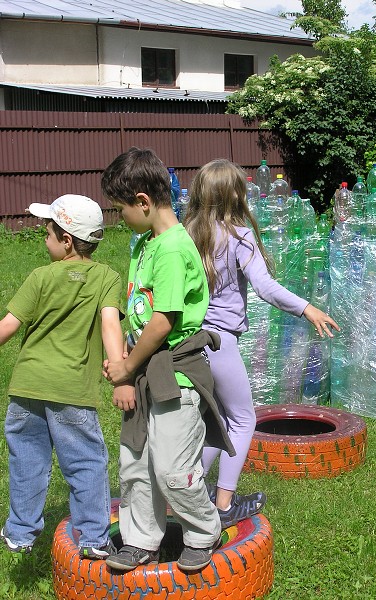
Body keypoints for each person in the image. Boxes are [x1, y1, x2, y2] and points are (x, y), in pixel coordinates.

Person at [184, 159, 340, 527]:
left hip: (189, 344)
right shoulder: (238, 235)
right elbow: (265, 288)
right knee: (242, 419)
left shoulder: (185, 233)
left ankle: (187, 496)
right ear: (233, 194)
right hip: (221, 342)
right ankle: (222, 506)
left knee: (216, 421)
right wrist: (307, 309)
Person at [100, 147, 234, 573]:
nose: (119, 218)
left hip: (175, 371)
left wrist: (126, 366)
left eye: (121, 209)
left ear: (143, 202)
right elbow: (138, 312)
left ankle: (203, 530)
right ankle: (141, 540)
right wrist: (126, 362)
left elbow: (163, 321)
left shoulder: (174, 248)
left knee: (173, 465)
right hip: (145, 366)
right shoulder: (146, 243)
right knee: (136, 459)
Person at [0, 194, 126, 559]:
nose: (43, 237)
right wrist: (120, 372)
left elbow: (8, 326)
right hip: (71, 390)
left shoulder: (40, 277)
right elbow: (109, 325)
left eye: (48, 231)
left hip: (27, 386)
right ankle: (92, 538)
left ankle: (20, 532)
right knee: (85, 460)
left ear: (66, 240)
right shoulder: (106, 276)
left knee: (26, 459)